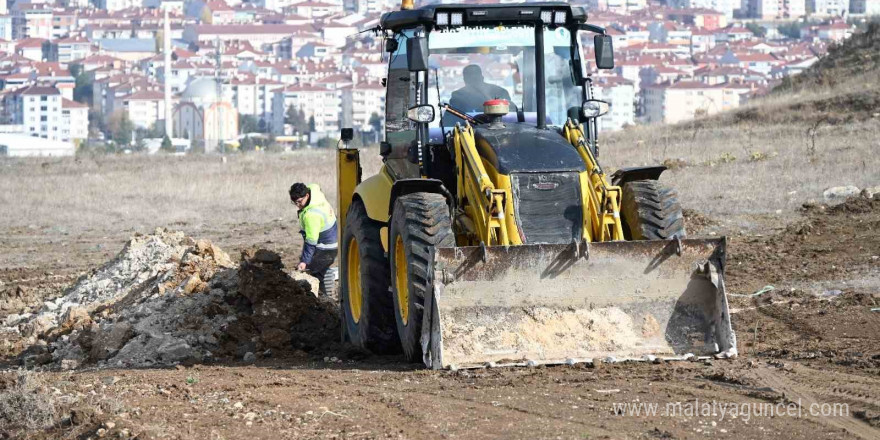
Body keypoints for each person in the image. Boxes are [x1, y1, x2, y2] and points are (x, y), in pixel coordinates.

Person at [289, 182, 337, 296]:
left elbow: (311, 242)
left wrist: (305, 262)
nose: (298, 205)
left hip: (327, 247)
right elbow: (316, 186)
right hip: (333, 237)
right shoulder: (313, 190)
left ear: (307, 196)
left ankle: (323, 300)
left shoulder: (312, 215)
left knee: (313, 274)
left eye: (299, 202)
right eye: (294, 202)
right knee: (314, 266)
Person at [446, 65, 514, 123]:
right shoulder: (458, 96)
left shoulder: (500, 92)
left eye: (475, 79)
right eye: (471, 79)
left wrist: (485, 94)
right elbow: (449, 121)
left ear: (482, 78)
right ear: (465, 80)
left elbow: (512, 117)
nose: (474, 83)